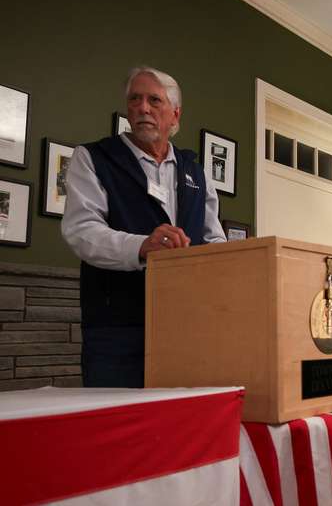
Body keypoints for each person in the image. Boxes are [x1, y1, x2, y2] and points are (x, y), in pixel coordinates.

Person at [62, 66, 226, 388]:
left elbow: (214, 239)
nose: (143, 108)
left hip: (186, 324)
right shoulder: (93, 158)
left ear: (175, 115)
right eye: (135, 99)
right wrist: (140, 246)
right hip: (117, 330)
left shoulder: (195, 169)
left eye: (154, 100)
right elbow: (81, 231)